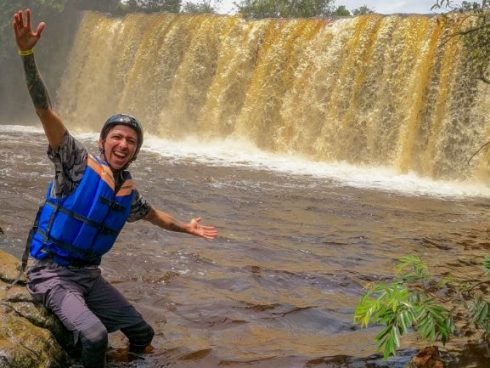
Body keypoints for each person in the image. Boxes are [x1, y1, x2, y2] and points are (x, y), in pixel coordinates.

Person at [12, 8, 218, 368]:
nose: (123, 145)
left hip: (88, 276)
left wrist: (187, 226)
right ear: (104, 141)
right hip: (51, 273)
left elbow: (156, 217)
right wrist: (27, 54)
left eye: (131, 142)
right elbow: (45, 109)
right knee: (94, 335)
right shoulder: (74, 162)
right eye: (117, 137)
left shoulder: (127, 193)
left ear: (136, 151)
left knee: (143, 334)